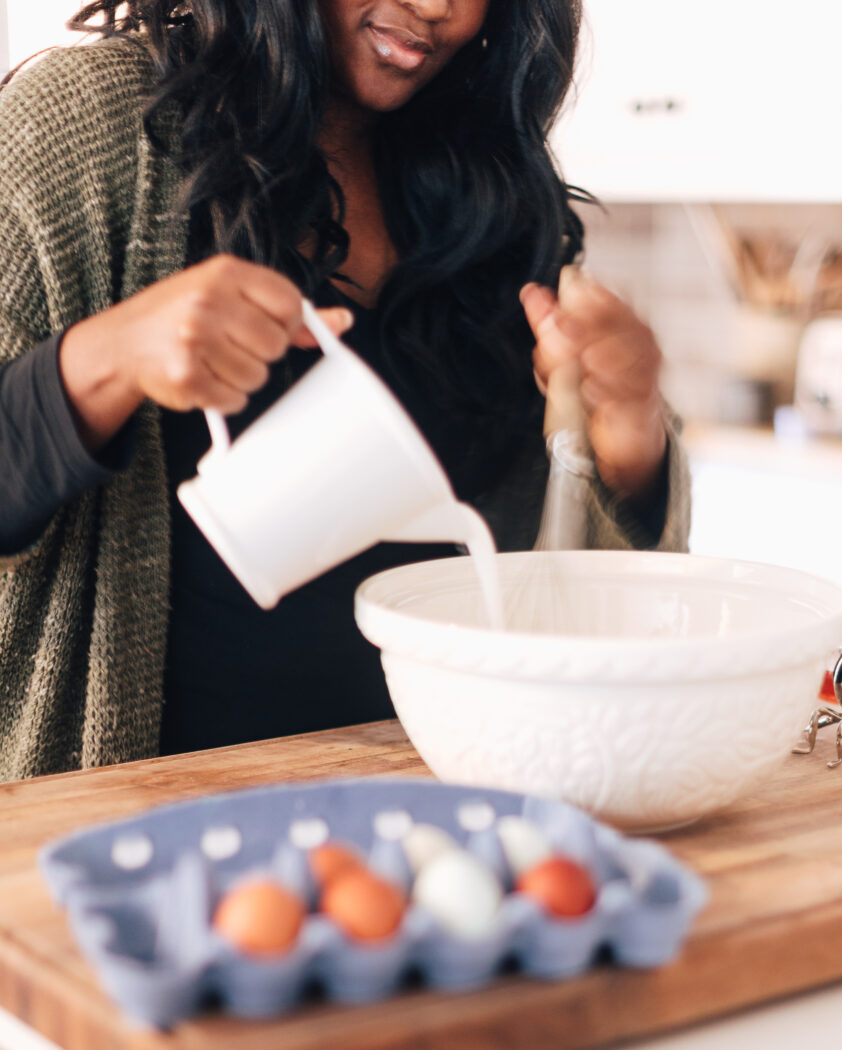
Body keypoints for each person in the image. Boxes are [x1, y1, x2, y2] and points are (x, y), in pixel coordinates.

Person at [0, 0, 690, 782]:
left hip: (438, 819)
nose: (439, 8)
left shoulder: (495, 188)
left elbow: (567, 597)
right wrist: (106, 360)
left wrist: (627, 430)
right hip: (153, 828)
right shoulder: (90, 126)